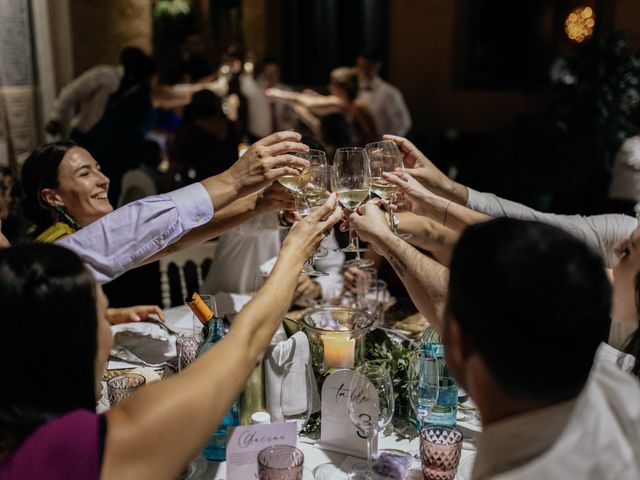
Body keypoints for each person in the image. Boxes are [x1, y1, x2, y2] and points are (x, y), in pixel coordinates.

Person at [0, 197, 341, 479]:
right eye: (104, 314)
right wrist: (295, 251)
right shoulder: (75, 449)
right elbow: (245, 343)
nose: (110, 325)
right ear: (69, 341)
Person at [348, 207, 640, 478]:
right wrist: (387, 238)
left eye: (628, 250)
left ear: (458, 342)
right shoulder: (620, 388)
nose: (616, 250)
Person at [20, 131, 309, 284]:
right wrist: (233, 180)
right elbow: (142, 222)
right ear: (52, 197)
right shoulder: (54, 250)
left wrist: (258, 203)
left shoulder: (71, 237)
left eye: (98, 169)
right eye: (85, 174)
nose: (103, 180)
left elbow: (171, 241)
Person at [383, 134, 637, 268]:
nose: (618, 251)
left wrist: (431, 206)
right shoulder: (627, 229)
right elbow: (536, 225)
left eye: (627, 252)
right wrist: (443, 186)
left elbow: (537, 253)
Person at [267, 67, 379, 147]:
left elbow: (372, 135)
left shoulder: (356, 105)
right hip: (353, 150)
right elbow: (318, 105)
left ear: (343, 86)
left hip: (362, 153)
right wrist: (315, 97)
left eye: (333, 84)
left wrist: (279, 94)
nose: (329, 87)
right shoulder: (345, 103)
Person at [169, 89, 239, 186]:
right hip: (231, 184)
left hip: (202, 189)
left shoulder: (188, 133)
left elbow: (174, 166)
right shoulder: (232, 127)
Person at [355, 51, 412, 136]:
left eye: (367, 66)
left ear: (377, 66)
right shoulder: (355, 89)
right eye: (360, 66)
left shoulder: (389, 92)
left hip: (381, 145)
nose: (363, 70)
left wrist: (385, 144)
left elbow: (402, 123)